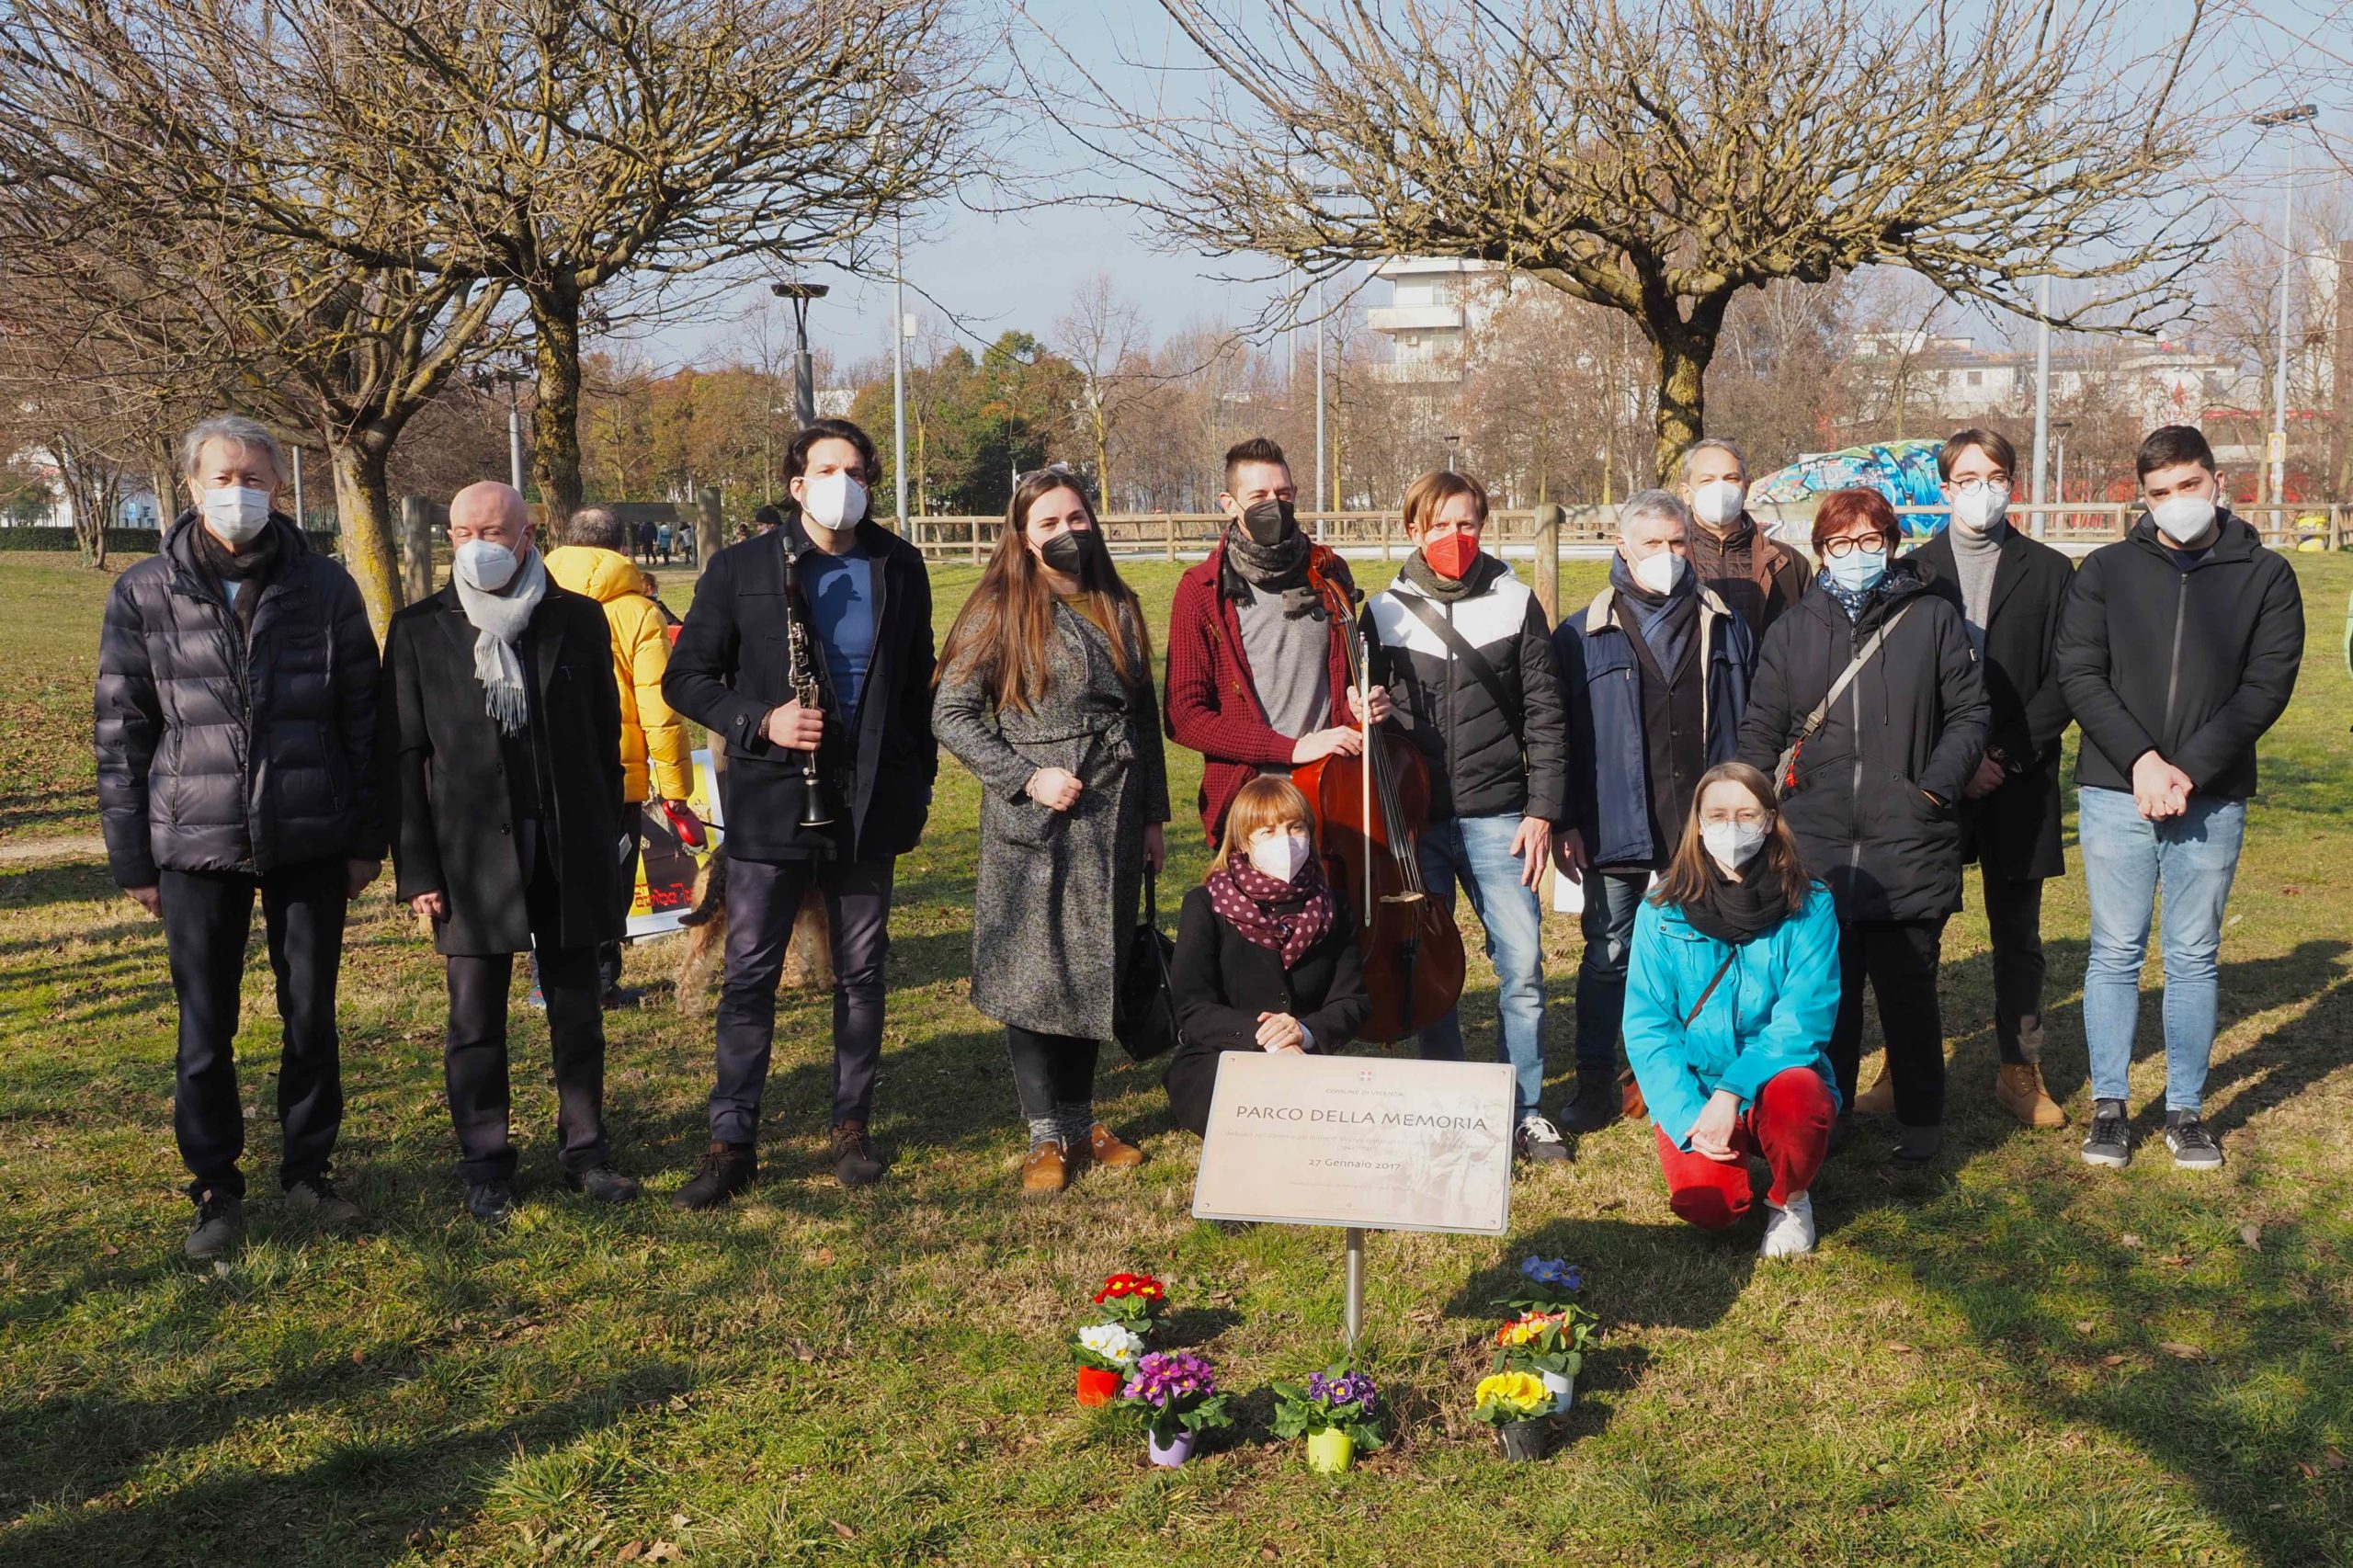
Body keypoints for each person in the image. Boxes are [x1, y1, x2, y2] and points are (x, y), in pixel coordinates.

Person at [95, 414, 382, 1258]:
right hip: (193, 839)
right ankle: (215, 1186)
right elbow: (122, 731)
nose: (239, 492)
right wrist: (131, 857)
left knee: (310, 1017)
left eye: (255, 478)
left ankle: (309, 1170)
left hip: (310, 834)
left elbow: (363, 719)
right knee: (203, 1025)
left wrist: (367, 838)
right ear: (190, 487)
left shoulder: (326, 588)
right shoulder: (144, 592)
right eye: (223, 477)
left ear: (281, 489)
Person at [663, 417, 938, 1202]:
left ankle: (851, 1128)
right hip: (771, 798)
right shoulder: (741, 566)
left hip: (867, 801)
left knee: (861, 972)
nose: (842, 483)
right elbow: (686, 679)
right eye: (827, 469)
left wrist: (914, 788)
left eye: (855, 470)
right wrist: (762, 720)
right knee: (750, 973)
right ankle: (731, 1142)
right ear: (795, 483)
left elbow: (917, 686)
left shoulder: (901, 564)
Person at [381, 482, 639, 1222]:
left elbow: (600, 741)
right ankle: (485, 1164)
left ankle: (586, 1150)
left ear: (529, 535)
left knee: (577, 1009)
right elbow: (403, 756)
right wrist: (418, 869)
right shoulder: (420, 628)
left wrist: (608, 839)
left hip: (568, 844)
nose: (477, 545)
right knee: (474, 1018)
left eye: (492, 530)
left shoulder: (579, 620)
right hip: (468, 855)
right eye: (461, 532)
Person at [2055, 425, 2303, 1171]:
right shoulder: (2103, 570)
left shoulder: (2267, 576)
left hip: (2213, 793)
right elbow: (2080, 673)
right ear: (2144, 497)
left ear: (2216, 482)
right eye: (2160, 493)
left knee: (2193, 955)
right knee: (2116, 950)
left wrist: (2186, 768)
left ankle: (2186, 1109)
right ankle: (2109, 1105)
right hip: (2113, 788)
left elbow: (2266, 687)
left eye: (2188, 487)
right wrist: (2139, 760)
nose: (2176, 504)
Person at [933, 467, 1170, 1195]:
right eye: (1049, 523)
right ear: (1023, 536)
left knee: (1092, 962)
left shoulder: (1118, 603)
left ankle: (1081, 1121)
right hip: (1037, 819)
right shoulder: (1000, 608)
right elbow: (951, 713)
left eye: (1076, 518)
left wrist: (1154, 814)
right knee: (1035, 973)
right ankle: (1044, 1135)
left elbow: (1142, 718)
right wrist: (1025, 777)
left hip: (1114, 812)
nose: (1067, 532)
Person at [1735, 486, 1987, 1168]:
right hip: (1814, 843)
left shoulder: (1933, 619)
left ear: (1891, 543)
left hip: (1907, 837)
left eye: (1869, 540)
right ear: (1821, 551)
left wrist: (1932, 790)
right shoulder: (1792, 630)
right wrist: (1755, 809)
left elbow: (1969, 714)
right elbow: (1763, 725)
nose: (1854, 554)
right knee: (1827, 995)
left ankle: (1922, 1124)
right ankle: (1831, 1114)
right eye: (1840, 543)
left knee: (1910, 991)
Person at [1364, 469, 1571, 1162]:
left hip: (1498, 818)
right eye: (1441, 524)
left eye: (1468, 523)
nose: (1455, 536)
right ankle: (1449, 1104)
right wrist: (1365, 712)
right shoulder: (1381, 612)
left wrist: (1542, 810)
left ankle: (1526, 1109)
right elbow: (1361, 715)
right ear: (1413, 529)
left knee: (1522, 965)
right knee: (1428, 964)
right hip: (1417, 822)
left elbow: (1547, 713)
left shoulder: (1516, 604)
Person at [1553, 489, 1756, 1135]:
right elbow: (1557, 735)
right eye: (1652, 545)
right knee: (1609, 952)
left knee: (1700, 948)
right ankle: (1593, 1079)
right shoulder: (1580, 633)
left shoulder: (1725, 622)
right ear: (1622, 548)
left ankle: (1681, 1075)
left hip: (1702, 825)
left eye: (1676, 544)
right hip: (1613, 822)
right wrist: (1563, 819)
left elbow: (1749, 718)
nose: (1667, 556)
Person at [1907, 428, 2076, 1129]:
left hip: (2018, 776)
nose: (1983, 488)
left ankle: (2020, 1069)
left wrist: (2001, 756)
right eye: (1967, 476)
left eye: (1996, 475)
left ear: (2014, 483)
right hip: (1936, 780)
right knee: (1915, 931)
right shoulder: (1914, 570)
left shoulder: (2052, 570)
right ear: (1944, 489)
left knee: (2020, 937)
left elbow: (2068, 678)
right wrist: (1952, 764)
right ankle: (1905, 1066)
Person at [1622, 763, 1840, 1256]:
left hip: (1776, 1074)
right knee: (1710, 1209)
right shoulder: (1660, 909)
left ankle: (1791, 1199)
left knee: (1800, 1099)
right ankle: (1721, 1159)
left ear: (1769, 821)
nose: (1732, 827)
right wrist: (1687, 1113)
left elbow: (1804, 1020)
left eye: (1747, 814)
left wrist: (1731, 1093)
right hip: (1694, 1082)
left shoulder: (1811, 903)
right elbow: (1648, 1026)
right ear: (1697, 823)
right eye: (1717, 815)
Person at [1163, 436, 1388, 844]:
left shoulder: (1330, 569)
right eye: (1260, 495)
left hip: (1334, 784)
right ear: (1229, 504)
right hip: (1250, 797)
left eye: (1283, 493)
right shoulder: (1200, 589)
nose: (1275, 504)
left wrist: (1359, 701)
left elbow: (1341, 677)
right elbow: (1184, 717)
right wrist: (1289, 749)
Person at [545, 506, 699, 1006]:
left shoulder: (530, 594)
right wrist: (675, 791)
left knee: (553, 871)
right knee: (610, 874)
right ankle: (601, 979)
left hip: (544, 766)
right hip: (618, 770)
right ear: (621, 548)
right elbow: (659, 703)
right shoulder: (637, 610)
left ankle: (546, 978)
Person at [1165, 775, 1369, 1135]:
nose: (1286, 842)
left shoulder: (1334, 906)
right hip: (1220, 1056)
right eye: (1268, 832)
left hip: (1306, 1057)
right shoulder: (1205, 904)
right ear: (1243, 841)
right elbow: (1193, 1008)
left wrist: (1304, 1032)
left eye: (1296, 828)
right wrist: (1271, 1044)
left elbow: (1352, 1000)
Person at [1676, 437, 1810, 637]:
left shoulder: (1786, 563)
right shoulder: (1672, 559)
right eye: (1707, 480)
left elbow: (1808, 634)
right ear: (1686, 492)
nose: (1720, 488)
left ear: (1746, 487)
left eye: (1731, 478)